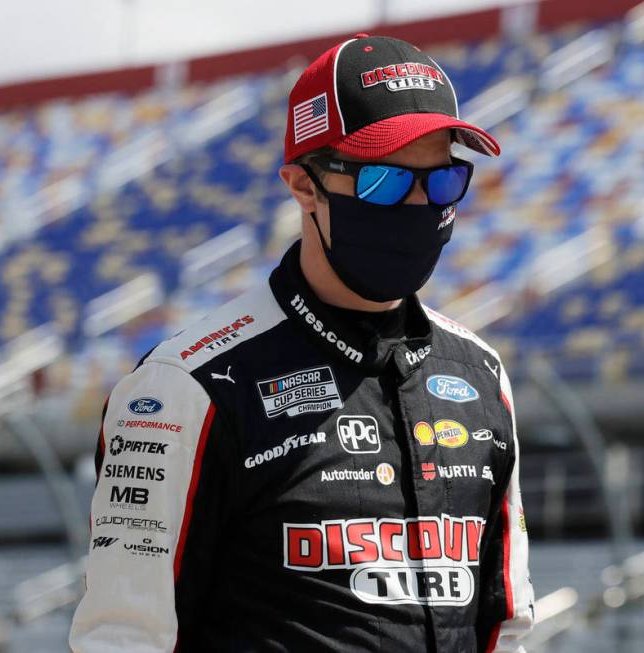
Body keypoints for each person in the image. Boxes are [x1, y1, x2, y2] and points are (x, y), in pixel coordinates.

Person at [70, 33, 534, 652]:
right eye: (386, 182)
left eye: (445, 181)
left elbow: (505, 629)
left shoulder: (480, 375)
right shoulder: (184, 390)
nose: (421, 203)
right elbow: (124, 640)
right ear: (303, 186)